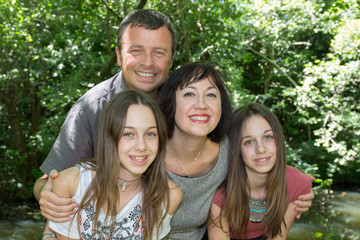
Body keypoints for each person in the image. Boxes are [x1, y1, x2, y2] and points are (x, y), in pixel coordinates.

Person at [33, 9, 176, 223]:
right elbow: (47, 180)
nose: (147, 62)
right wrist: (46, 195)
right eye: (136, 51)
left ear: (172, 58)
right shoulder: (91, 108)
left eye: (159, 52)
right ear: (118, 55)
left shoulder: (185, 103)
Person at [157, 63, 313, 239]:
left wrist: (299, 186)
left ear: (221, 106)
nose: (201, 104)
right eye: (189, 94)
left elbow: (261, 156)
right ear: (170, 103)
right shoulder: (144, 151)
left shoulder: (229, 151)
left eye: (210, 95)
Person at [48, 90, 182, 239]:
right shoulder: (71, 184)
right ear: (110, 137)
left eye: (150, 134)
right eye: (128, 134)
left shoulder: (167, 195)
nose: (141, 146)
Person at [208, 103, 313, 240]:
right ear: (235, 149)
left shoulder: (297, 183)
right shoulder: (220, 194)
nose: (261, 149)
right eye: (248, 142)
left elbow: (278, 237)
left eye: (268, 137)